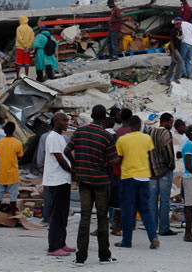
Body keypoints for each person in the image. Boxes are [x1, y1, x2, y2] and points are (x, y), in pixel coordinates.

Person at [64, 105, 118, 266]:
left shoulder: (79, 132)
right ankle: (104, 255)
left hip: (84, 181)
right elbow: (112, 161)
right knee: (102, 217)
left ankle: (81, 257)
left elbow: (67, 151)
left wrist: (75, 167)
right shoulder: (106, 136)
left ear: (92, 116)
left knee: (85, 218)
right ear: (104, 118)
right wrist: (107, 175)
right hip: (101, 181)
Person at [115, 116, 159, 249]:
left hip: (129, 176)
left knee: (128, 210)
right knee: (145, 210)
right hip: (144, 176)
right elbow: (150, 156)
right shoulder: (146, 138)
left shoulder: (123, 140)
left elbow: (119, 158)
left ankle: (126, 241)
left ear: (129, 125)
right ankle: (153, 237)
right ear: (140, 125)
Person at [43, 112, 75, 257]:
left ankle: (61, 243)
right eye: (64, 120)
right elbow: (60, 159)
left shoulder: (61, 137)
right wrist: (73, 172)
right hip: (56, 180)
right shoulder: (53, 137)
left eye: (67, 120)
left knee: (62, 214)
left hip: (63, 179)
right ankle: (54, 247)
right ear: (56, 121)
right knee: (57, 215)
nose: (66, 123)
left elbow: (67, 155)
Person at [148, 113, 177, 236]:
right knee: (165, 200)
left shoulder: (150, 132)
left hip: (151, 170)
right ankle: (164, 228)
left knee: (152, 200)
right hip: (164, 170)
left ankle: (152, 227)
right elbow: (169, 151)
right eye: (171, 122)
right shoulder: (165, 133)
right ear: (165, 122)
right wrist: (171, 165)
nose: (171, 125)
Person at [0, 122, 23, 215]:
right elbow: (20, 156)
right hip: (13, 173)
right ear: (14, 130)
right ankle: (13, 213)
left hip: (1, 173)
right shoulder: (18, 143)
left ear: (4, 130)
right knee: (13, 195)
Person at [164, 19, 183, 84]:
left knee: (173, 63)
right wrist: (174, 52)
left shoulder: (181, 30)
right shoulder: (173, 31)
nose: (178, 25)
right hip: (174, 49)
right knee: (180, 61)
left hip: (178, 49)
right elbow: (171, 42)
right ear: (175, 24)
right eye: (177, 24)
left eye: (179, 24)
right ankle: (176, 78)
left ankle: (167, 79)